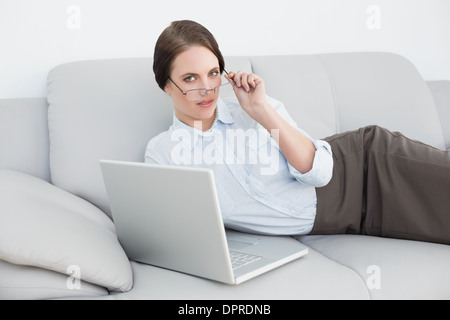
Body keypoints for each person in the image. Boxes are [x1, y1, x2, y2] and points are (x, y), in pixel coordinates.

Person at [145, 19, 450, 245]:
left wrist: (260, 111)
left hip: (364, 167)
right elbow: (171, 232)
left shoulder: (255, 109)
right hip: (351, 221)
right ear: (165, 85)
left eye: (213, 73)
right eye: (190, 78)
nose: (207, 89)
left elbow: (317, 174)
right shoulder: (163, 154)